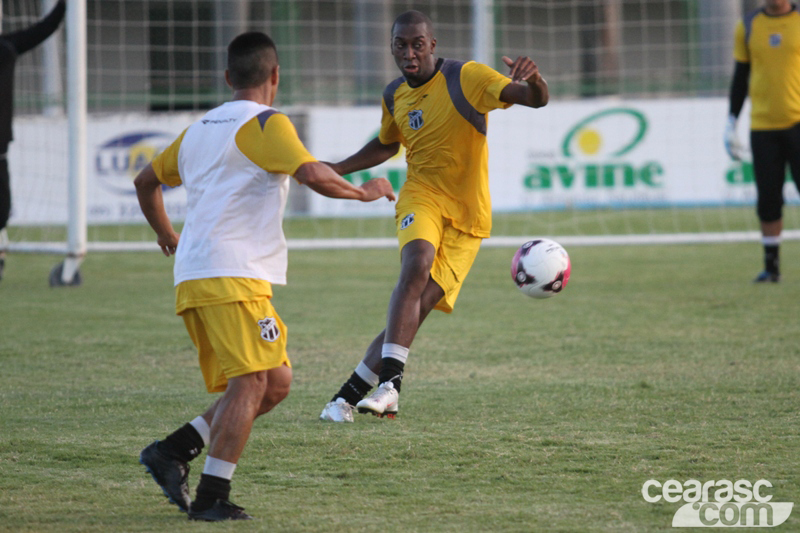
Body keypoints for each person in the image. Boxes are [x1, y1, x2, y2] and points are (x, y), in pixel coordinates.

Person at [134, 32, 394, 521]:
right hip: (229, 274)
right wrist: (364, 192)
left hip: (200, 274)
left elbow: (145, 182)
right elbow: (314, 175)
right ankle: (212, 497)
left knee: (273, 382)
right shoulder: (268, 122)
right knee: (254, 380)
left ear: (229, 77)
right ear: (275, 76)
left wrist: (167, 235)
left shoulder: (198, 129)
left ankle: (173, 451)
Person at [319, 10, 548, 423]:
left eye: (417, 44)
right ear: (391, 48)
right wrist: (334, 168)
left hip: (469, 216)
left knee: (417, 309)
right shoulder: (393, 94)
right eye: (400, 45)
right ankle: (391, 386)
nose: (409, 53)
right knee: (416, 266)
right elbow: (388, 144)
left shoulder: (468, 77)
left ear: (432, 45)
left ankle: (343, 399)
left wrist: (536, 81)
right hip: (421, 196)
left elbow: (532, 99)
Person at [725, 0, 800, 283]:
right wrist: (731, 120)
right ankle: (772, 267)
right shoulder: (747, 26)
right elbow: (741, 77)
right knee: (768, 199)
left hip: (798, 123)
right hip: (763, 126)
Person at [0, 0, 66, 281]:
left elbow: (45, 27)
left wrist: (66, 6)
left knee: (2, 210)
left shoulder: (7, 46)